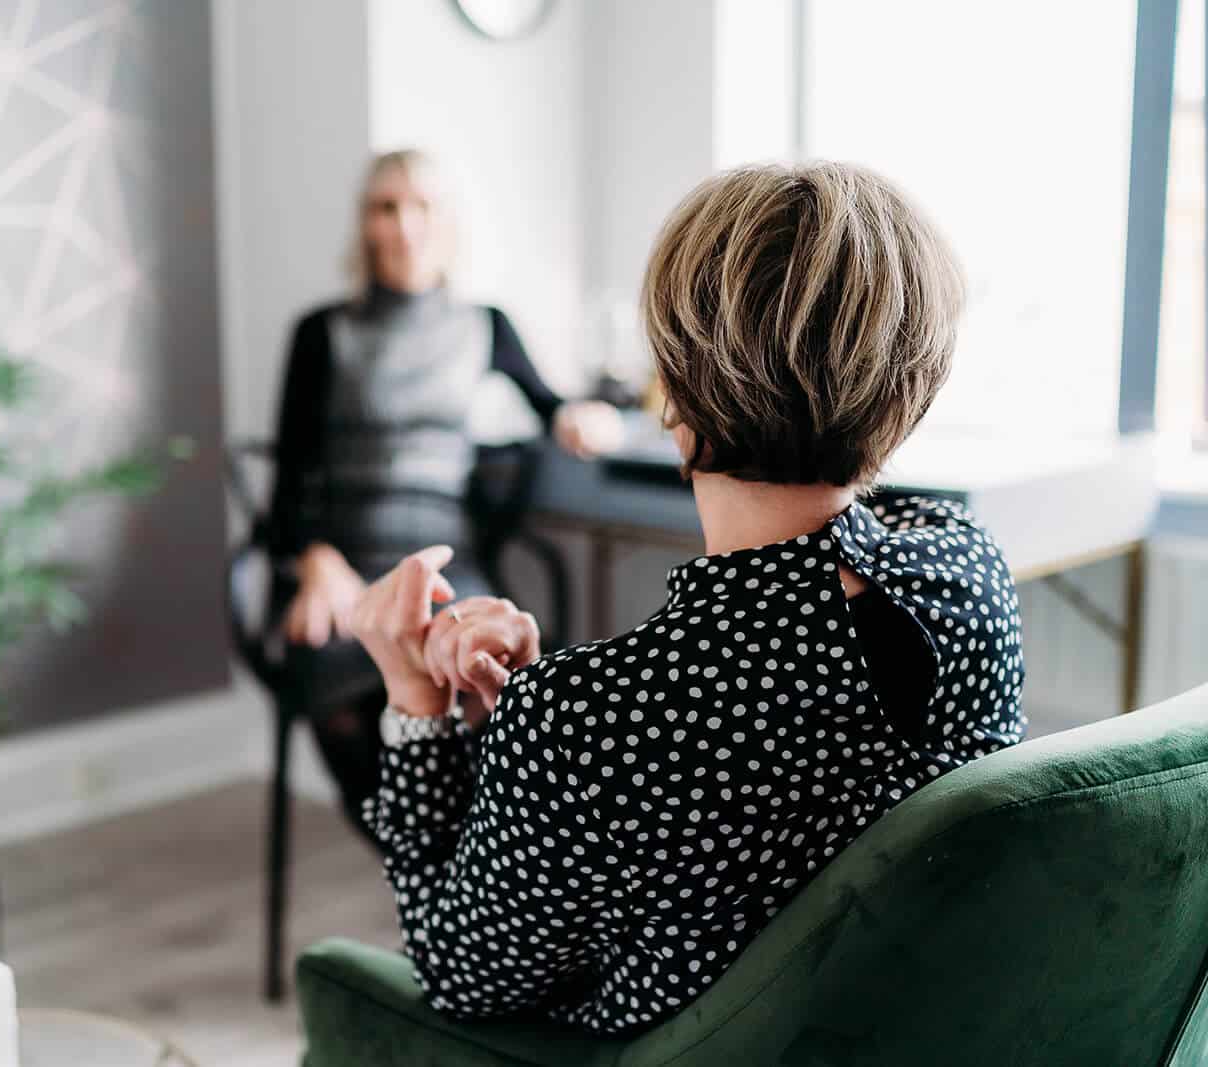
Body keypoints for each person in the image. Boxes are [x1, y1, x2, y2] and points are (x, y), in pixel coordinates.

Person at [347, 162, 1027, 1035]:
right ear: (910, 384)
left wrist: (416, 711)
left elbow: (458, 978)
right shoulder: (969, 574)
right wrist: (510, 736)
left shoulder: (589, 717)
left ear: (678, 394)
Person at [268, 148, 623, 839]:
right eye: (385, 206)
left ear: (447, 223)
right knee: (335, 689)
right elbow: (289, 479)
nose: (403, 225)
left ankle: (468, 873)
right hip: (348, 565)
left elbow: (554, 405)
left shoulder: (485, 325)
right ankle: (415, 862)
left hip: (447, 570)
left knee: (488, 686)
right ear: (365, 224)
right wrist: (315, 561)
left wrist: (585, 416)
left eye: (421, 206)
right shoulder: (321, 332)